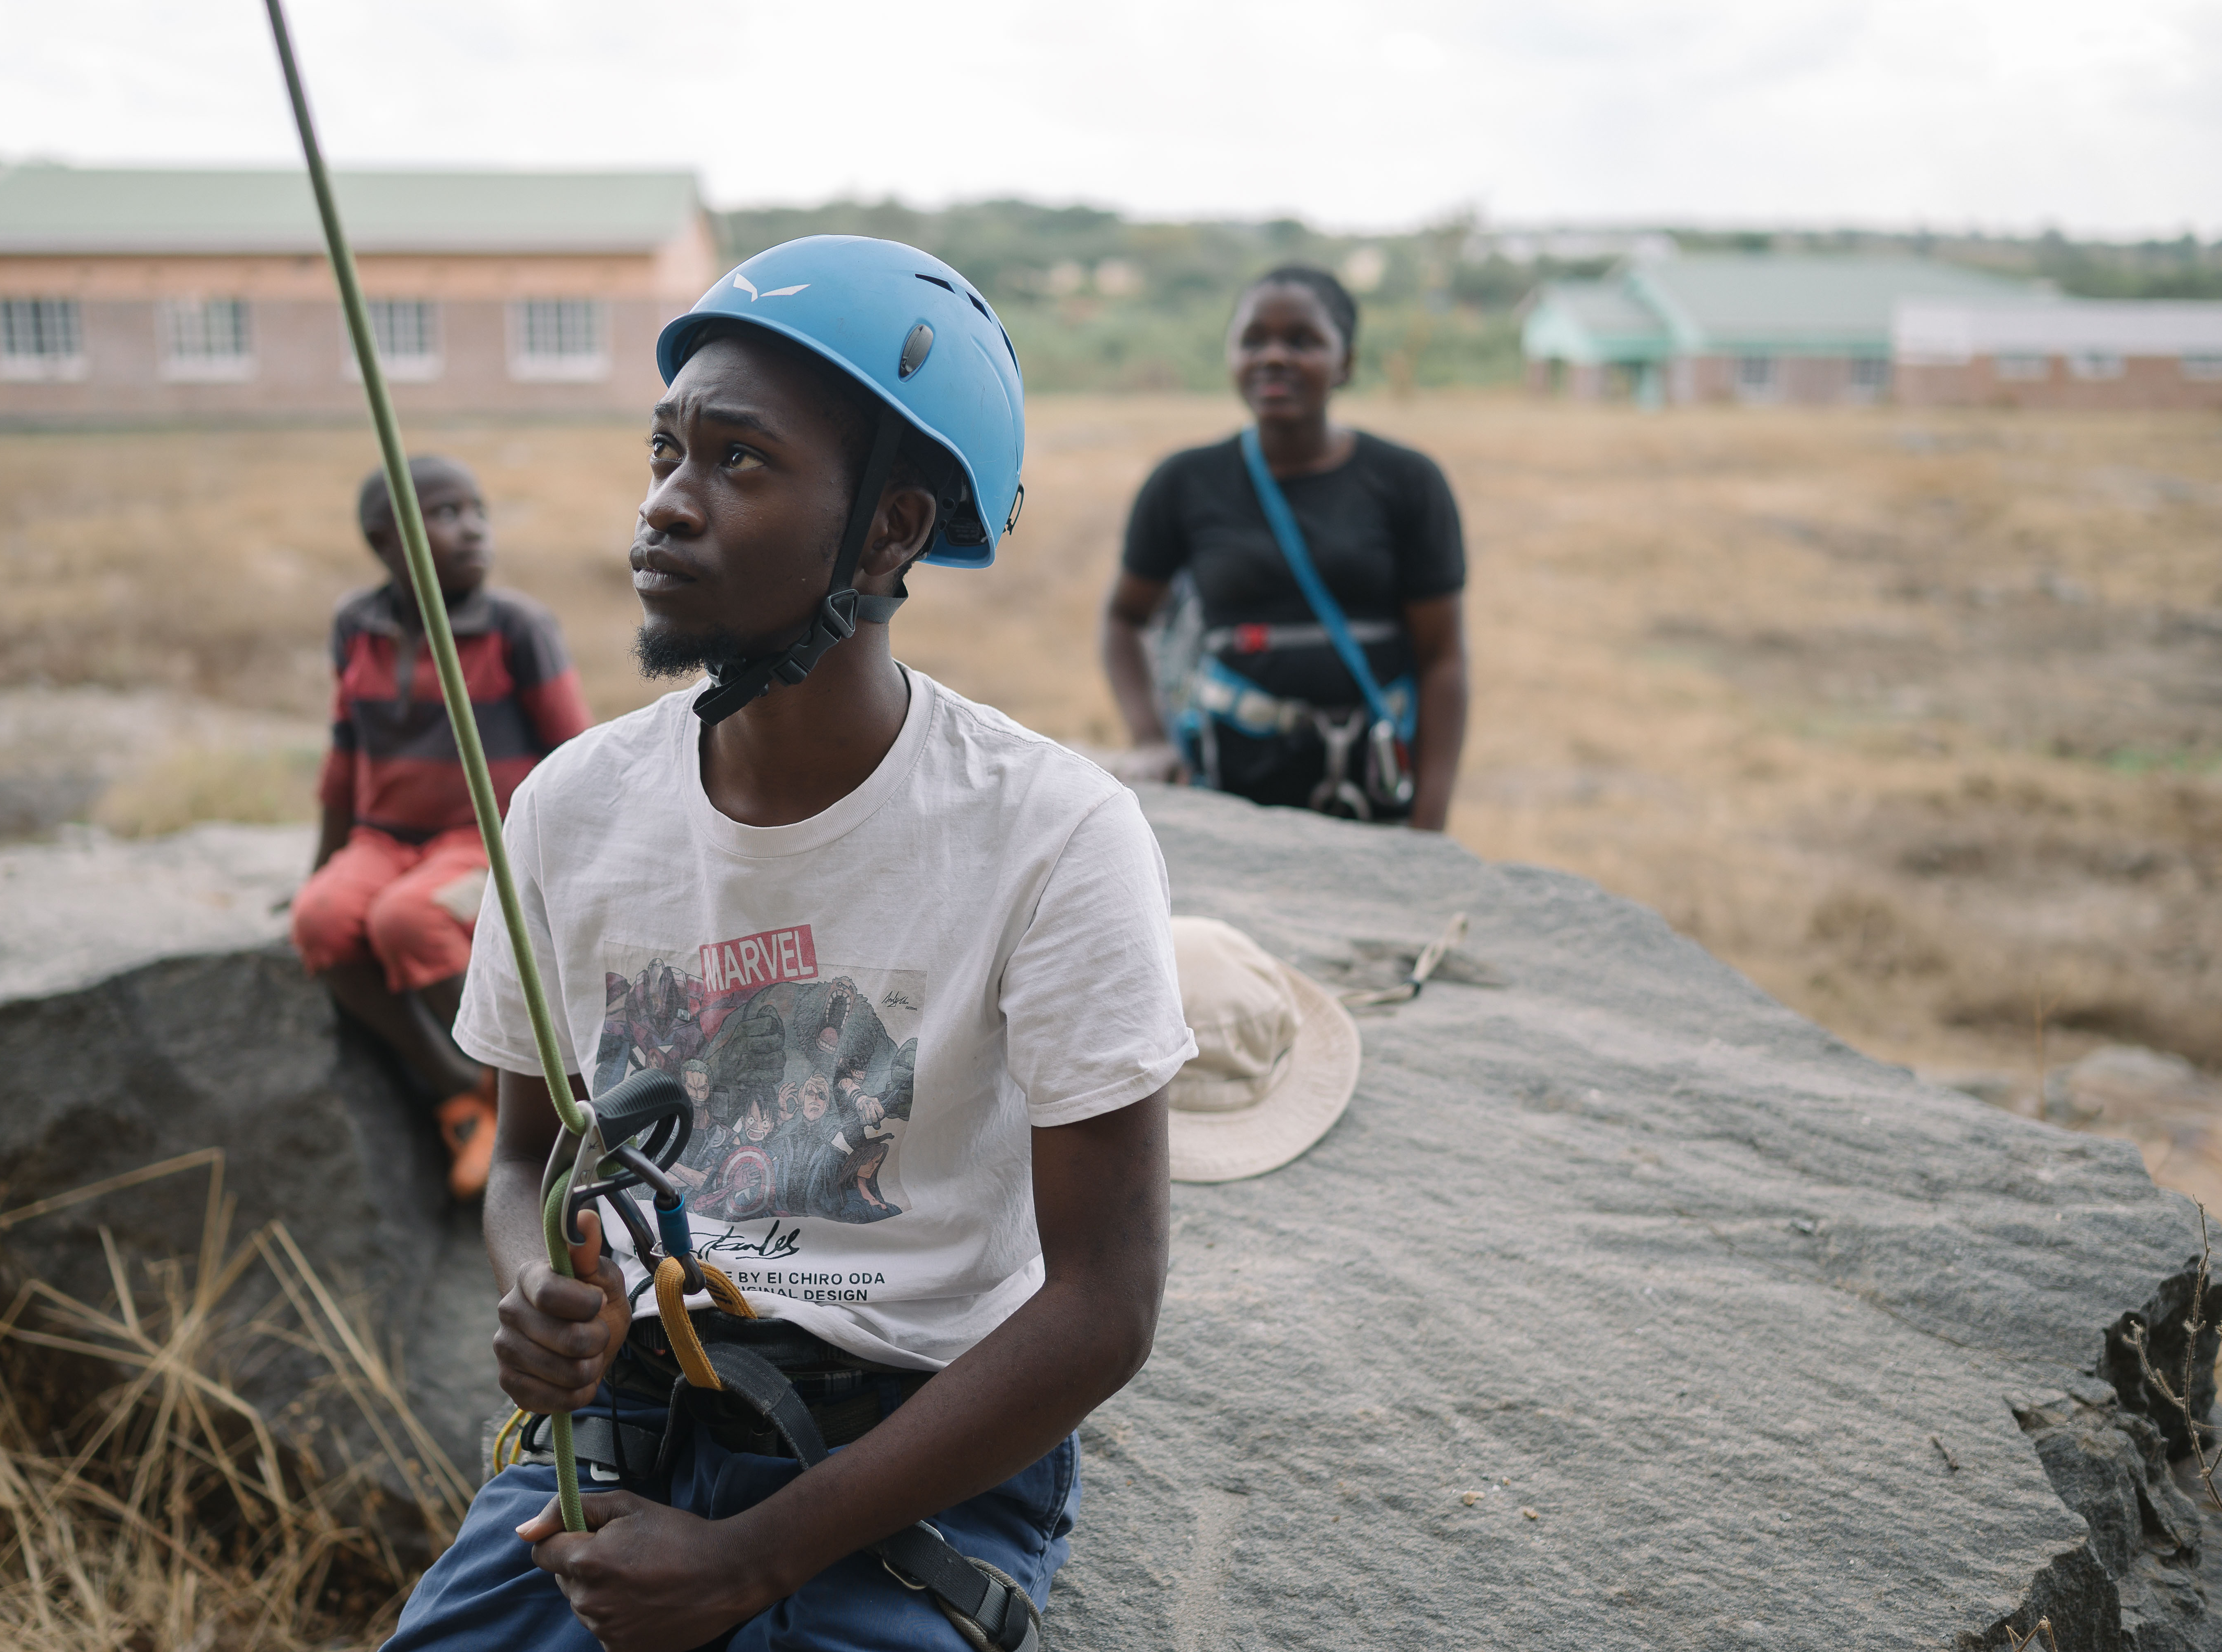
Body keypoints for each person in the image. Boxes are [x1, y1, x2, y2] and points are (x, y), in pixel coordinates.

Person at [379, 236, 1191, 1652]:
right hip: (628, 1417)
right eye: (662, 450)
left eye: (738, 462)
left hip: (906, 1442)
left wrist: (754, 1558)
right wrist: (535, 1287)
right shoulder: (572, 807)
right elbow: (523, 1162)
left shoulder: (1053, 835)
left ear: (889, 530)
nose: (664, 507)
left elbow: (1103, 1306)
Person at [288, 456, 591, 1200]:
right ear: (384, 538)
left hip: (481, 846)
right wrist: (322, 865)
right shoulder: (356, 628)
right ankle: (461, 1091)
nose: (473, 530)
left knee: (408, 920)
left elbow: (579, 756)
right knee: (321, 918)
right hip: (382, 839)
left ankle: (502, 1104)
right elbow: (345, 753)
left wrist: (568, 878)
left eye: (478, 511)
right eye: (446, 514)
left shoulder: (517, 627)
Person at [1100, 265, 1470, 829]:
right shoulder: (1183, 483)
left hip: (1374, 788)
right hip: (1231, 789)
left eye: (1303, 341)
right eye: (1253, 340)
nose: (1274, 357)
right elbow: (1124, 619)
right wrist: (1151, 738)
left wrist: (1430, 824)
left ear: (1346, 363)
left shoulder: (1408, 482)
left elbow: (1443, 658)